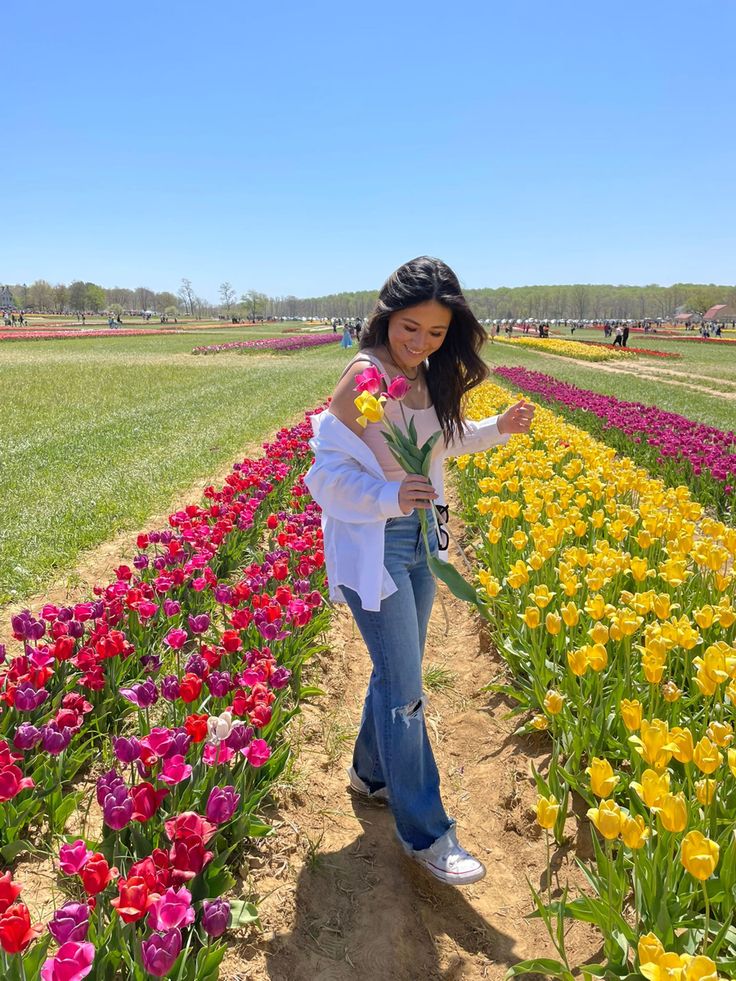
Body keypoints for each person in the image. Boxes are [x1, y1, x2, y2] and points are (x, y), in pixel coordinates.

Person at [305, 256, 534, 887]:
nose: (421, 344)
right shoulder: (363, 378)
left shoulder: (425, 377)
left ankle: (371, 776)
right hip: (373, 546)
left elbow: (437, 445)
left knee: (394, 673)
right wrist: (388, 498)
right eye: (411, 328)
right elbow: (323, 478)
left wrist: (496, 427)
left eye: (436, 333)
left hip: (418, 543)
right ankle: (426, 833)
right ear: (387, 314)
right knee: (406, 692)